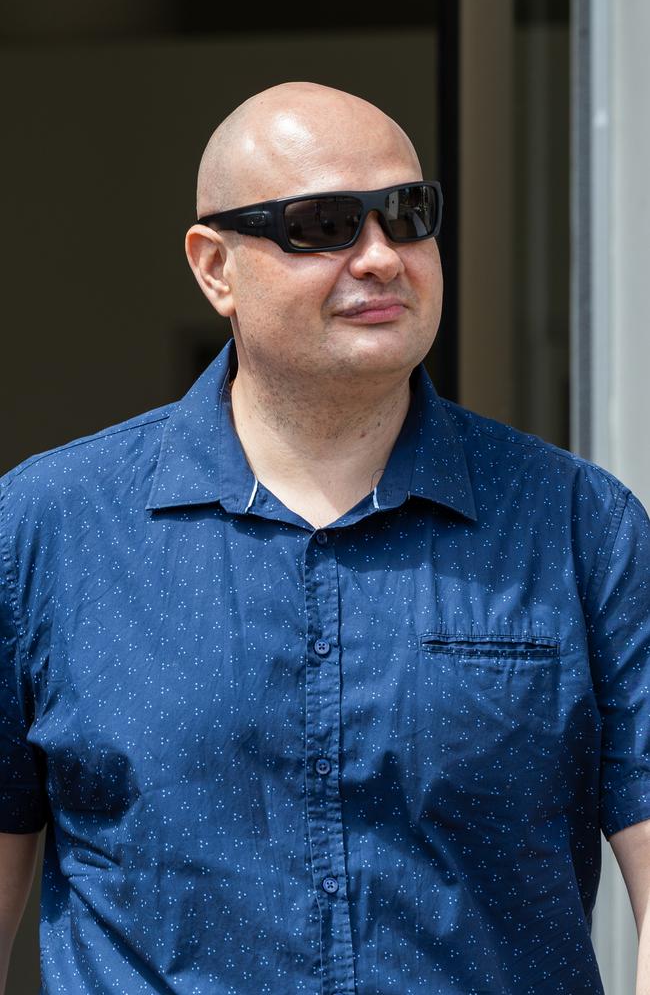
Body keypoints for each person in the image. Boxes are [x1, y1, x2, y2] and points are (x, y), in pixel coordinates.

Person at [0, 80, 649, 995]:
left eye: (408, 216)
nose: (382, 256)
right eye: (322, 225)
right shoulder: (46, 529)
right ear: (214, 266)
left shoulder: (578, 525)